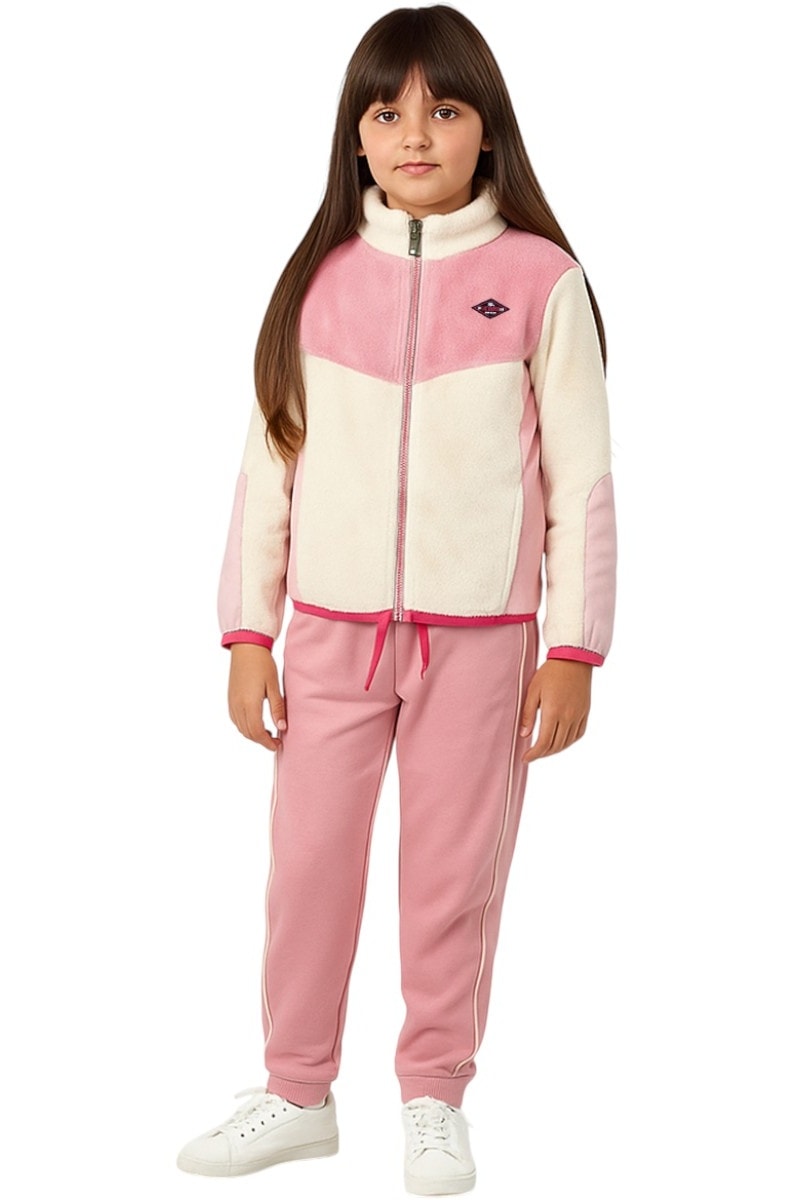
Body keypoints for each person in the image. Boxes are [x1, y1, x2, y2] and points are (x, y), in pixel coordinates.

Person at [176, 4, 617, 1194]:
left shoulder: (540, 281)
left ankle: (433, 1098)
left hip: (483, 640)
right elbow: (268, 465)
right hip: (330, 632)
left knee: (451, 879)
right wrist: (246, 630)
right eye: (386, 112)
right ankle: (295, 1092)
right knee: (307, 867)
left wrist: (572, 647)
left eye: (443, 108)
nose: (414, 134)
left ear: (487, 129)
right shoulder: (318, 282)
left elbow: (581, 479)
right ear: (355, 136)